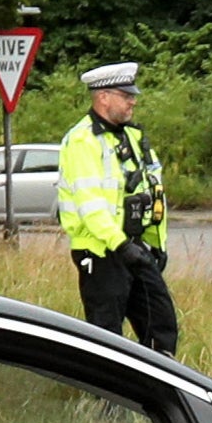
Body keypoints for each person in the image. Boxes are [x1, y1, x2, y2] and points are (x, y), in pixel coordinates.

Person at [58, 62, 178, 355]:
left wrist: (154, 245)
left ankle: (154, 396)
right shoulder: (82, 140)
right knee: (106, 338)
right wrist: (123, 247)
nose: (133, 101)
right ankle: (104, 401)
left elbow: (150, 192)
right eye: (126, 96)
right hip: (100, 252)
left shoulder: (133, 137)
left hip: (134, 249)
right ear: (103, 97)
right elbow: (91, 207)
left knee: (161, 326)